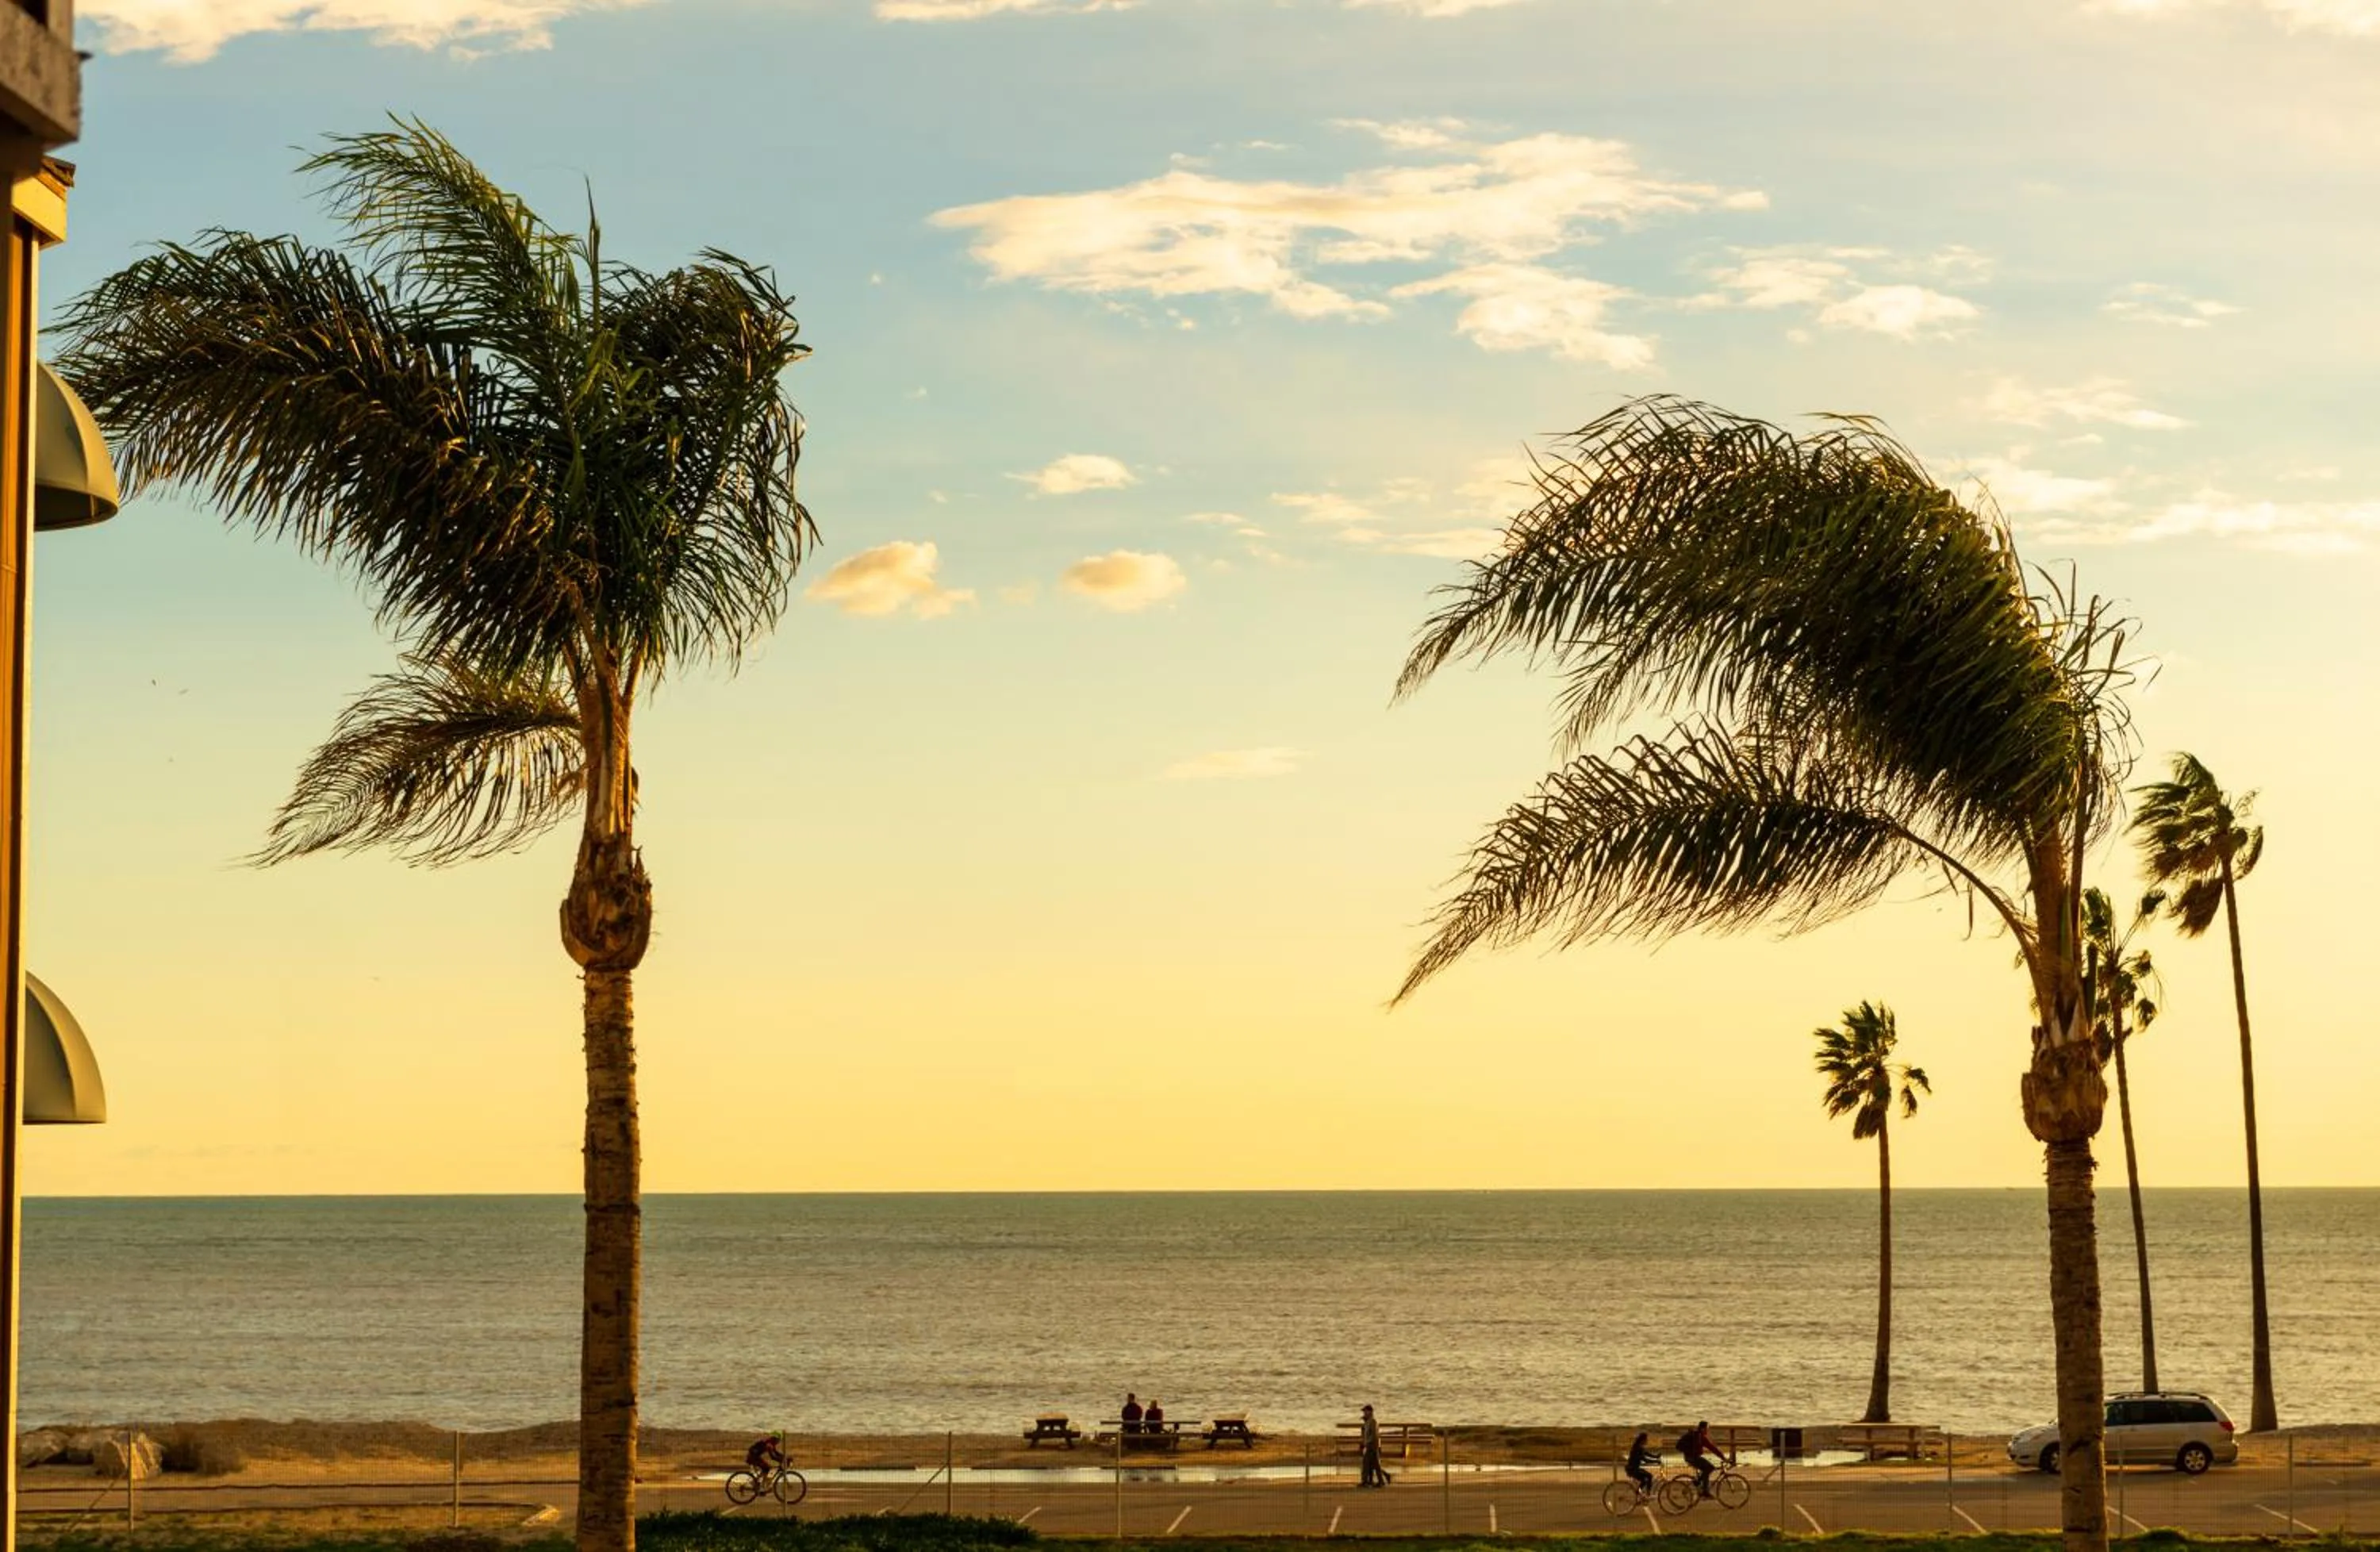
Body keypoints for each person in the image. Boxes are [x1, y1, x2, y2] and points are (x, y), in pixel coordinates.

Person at [1678, 1421, 1722, 1497]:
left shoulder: (1698, 1435)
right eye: (1706, 1429)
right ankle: (1705, 1491)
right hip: (1693, 1458)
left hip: (1690, 1457)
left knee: (1707, 1468)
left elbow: (1712, 1448)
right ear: (1702, 1429)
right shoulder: (1700, 1437)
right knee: (1709, 1468)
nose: (1707, 1431)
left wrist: (1722, 1457)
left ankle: (1698, 1482)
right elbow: (1712, 1448)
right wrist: (1724, 1458)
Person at [1359, 1404, 1392, 1489]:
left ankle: (1366, 1482)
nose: (1364, 1413)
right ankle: (1380, 1480)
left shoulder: (1373, 1422)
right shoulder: (1368, 1421)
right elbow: (1367, 1434)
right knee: (1374, 1464)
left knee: (1367, 1463)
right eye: (1364, 1411)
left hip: (1373, 1445)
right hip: (1372, 1445)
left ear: (1370, 1412)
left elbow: (1374, 1435)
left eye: (1365, 1411)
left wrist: (1367, 1444)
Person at [1625, 1431, 1658, 1496]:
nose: (1647, 1441)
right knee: (1649, 1476)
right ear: (1643, 1440)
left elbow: (1647, 1454)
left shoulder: (1639, 1447)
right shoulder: (1637, 1448)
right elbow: (1644, 1459)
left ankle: (1639, 1494)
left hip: (1634, 1469)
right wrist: (1655, 1462)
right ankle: (1648, 1494)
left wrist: (1656, 1457)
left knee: (1644, 1479)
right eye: (1646, 1439)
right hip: (1633, 1470)